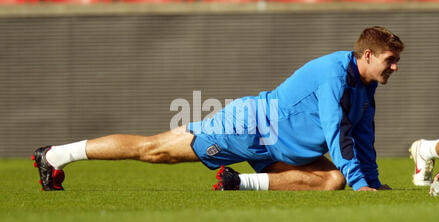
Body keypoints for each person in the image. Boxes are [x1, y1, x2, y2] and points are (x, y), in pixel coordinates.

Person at [32, 26, 404, 192]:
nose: (394, 67)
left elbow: (362, 135)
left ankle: (238, 183)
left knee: (331, 181)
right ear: (367, 54)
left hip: (279, 150)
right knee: (155, 150)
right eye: (390, 59)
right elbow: (336, 132)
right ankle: (56, 154)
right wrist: (361, 185)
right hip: (250, 127)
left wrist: (369, 182)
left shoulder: (366, 86)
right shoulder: (333, 73)